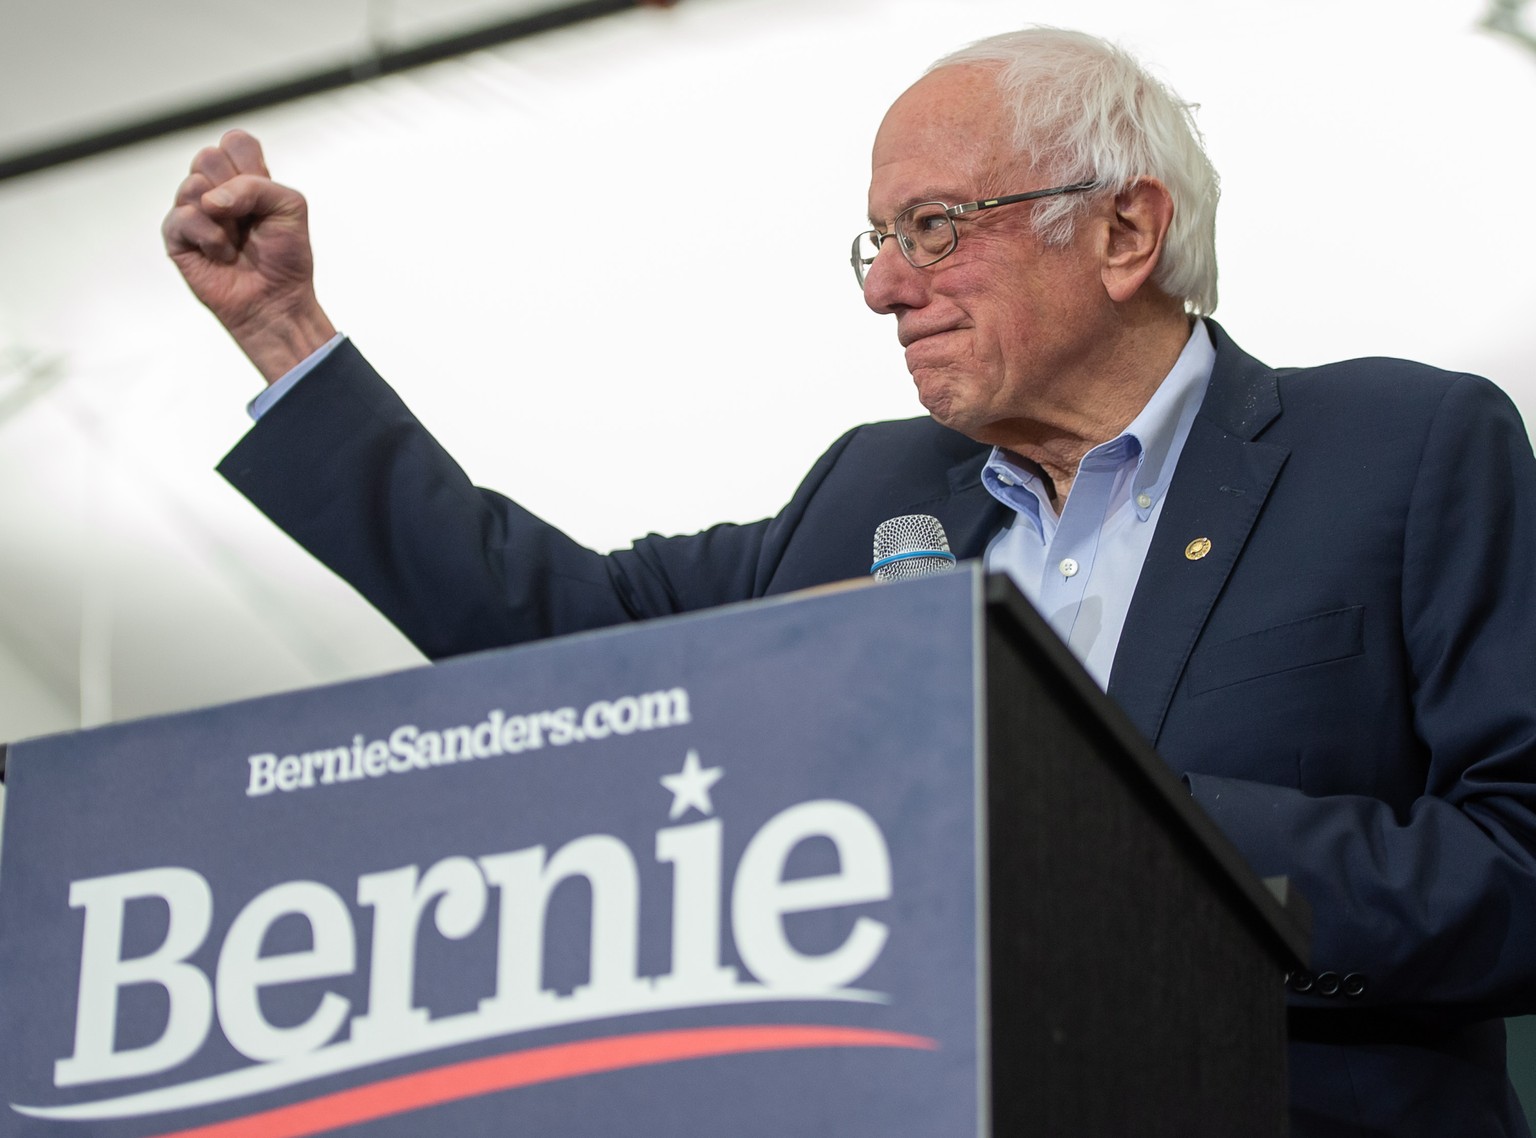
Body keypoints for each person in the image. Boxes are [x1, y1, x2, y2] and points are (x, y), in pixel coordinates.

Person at [163, 27, 1536, 1137]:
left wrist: (1113, 823)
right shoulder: (865, 495)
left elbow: (1518, 870)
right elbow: (547, 619)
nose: (885, 286)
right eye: (876, 239)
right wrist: (288, 338)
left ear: (1126, 231)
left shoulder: (1405, 452)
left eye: (936, 227)